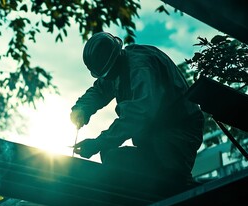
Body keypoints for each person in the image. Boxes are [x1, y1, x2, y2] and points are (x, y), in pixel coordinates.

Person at [70, 32, 205, 193]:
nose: (107, 77)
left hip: (178, 135)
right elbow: (99, 90)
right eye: (104, 75)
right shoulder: (116, 69)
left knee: (117, 160)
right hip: (153, 139)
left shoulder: (141, 67)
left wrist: (99, 142)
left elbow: (140, 115)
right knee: (111, 155)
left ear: (117, 56)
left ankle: (177, 184)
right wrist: (82, 109)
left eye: (107, 73)